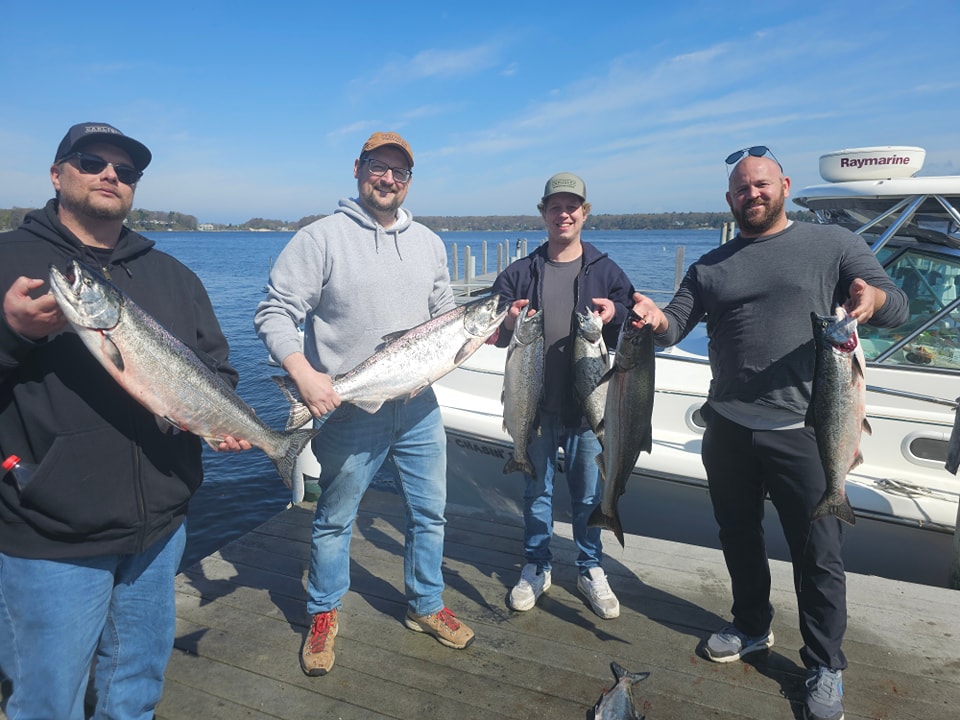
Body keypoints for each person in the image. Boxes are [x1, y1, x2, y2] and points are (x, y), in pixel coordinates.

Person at [631, 146, 909, 720]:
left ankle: (825, 664)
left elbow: (897, 307)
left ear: (783, 184)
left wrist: (874, 298)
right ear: (729, 199)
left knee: (819, 556)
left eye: (761, 184)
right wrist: (657, 320)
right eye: (740, 189)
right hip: (729, 426)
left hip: (809, 429)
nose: (751, 195)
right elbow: (675, 322)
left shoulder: (832, 245)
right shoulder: (711, 264)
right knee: (738, 536)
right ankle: (752, 626)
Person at [0, 122, 248, 719]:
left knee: (135, 691)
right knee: (46, 702)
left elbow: (219, 371)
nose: (110, 175)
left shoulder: (174, 278)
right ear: (57, 175)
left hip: (159, 530)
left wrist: (215, 418)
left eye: (126, 171)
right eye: (91, 161)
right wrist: (10, 336)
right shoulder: (11, 260)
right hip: (51, 534)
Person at [254, 131, 474, 677]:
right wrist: (302, 373)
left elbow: (444, 312)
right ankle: (323, 612)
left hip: (419, 406)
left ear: (408, 183)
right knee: (334, 517)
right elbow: (275, 312)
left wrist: (475, 334)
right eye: (379, 167)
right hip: (349, 406)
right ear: (358, 169)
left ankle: (426, 603)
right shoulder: (321, 239)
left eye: (399, 173)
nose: (388, 179)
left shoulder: (428, 242)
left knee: (430, 511)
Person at [491, 172, 636, 620]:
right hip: (533, 407)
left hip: (588, 408)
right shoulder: (520, 273)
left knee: (589, 494)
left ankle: (590, 568)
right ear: (544, 214)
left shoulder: (607, 271)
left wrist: (619, 314)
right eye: (556, 207)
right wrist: (510, 321)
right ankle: (537, 563)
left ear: (585, 214)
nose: (564, 214)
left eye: (573, 206)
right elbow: (493, 329)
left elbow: (636, 318)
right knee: (536, 492)